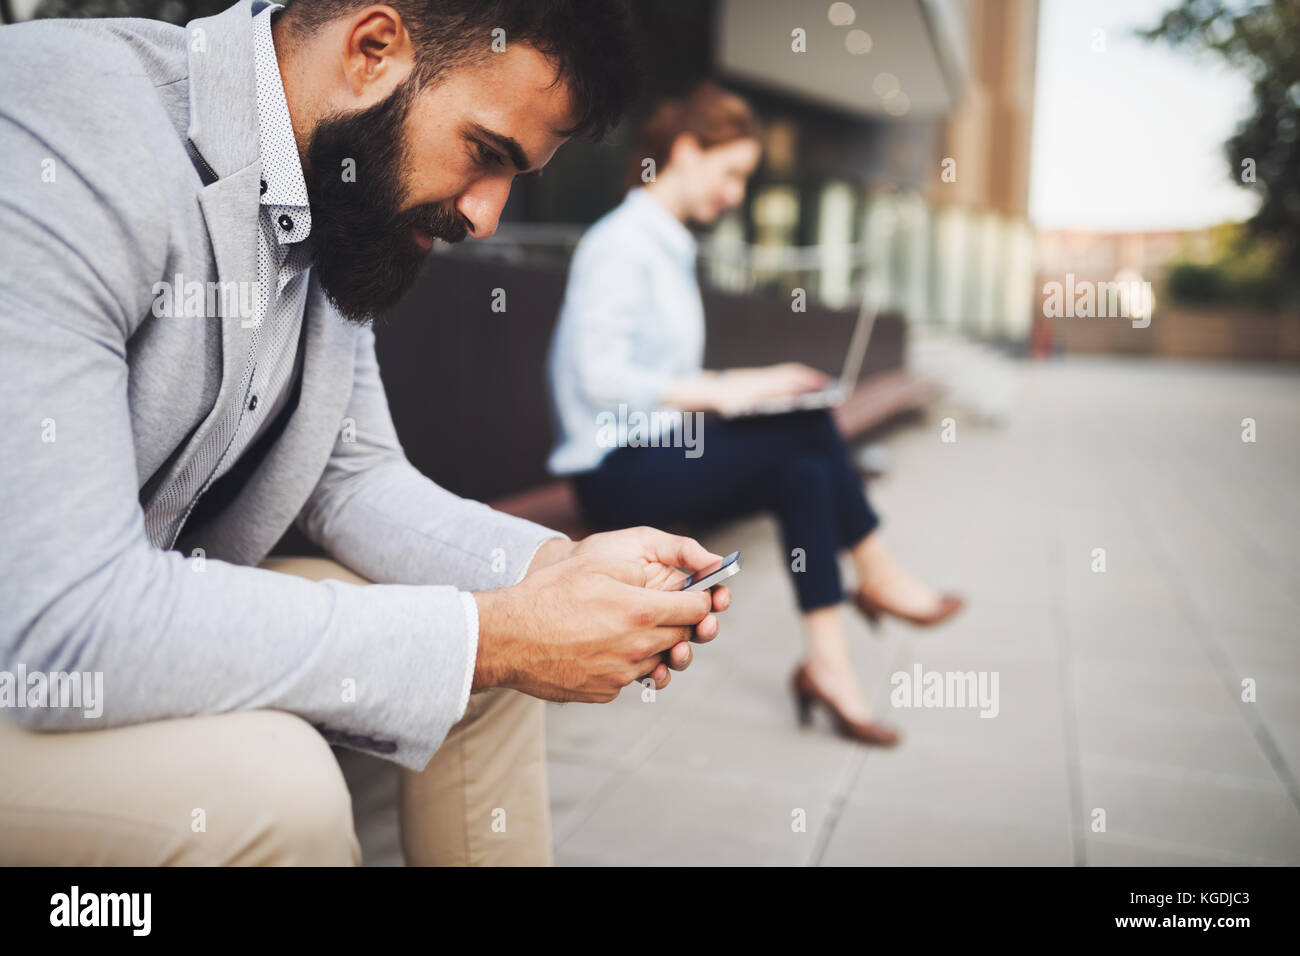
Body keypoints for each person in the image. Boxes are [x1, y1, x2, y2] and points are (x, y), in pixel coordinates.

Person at [0, 0, 734, 867]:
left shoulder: (333, 184)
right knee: (278, 795)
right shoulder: (62, 125)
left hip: (94, 610)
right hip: (41, 640)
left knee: (479, 679)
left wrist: (555, 573)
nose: (489, 215)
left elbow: (352, 477)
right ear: (373, 49)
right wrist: (496, 632)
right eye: (486, 153)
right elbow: (64, 617)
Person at [547, 82, 963, 747]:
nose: (737, 194)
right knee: (801, 427)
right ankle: (877, 573)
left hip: (654, 454)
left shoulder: (664, 247)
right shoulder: (622, 243)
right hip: (611, 472)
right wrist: (733, 389)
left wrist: (753, 384)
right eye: (733, 172)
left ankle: (828, 665)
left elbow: (669, 380)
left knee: (803, 473)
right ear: (686, 151)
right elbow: (601, 377)